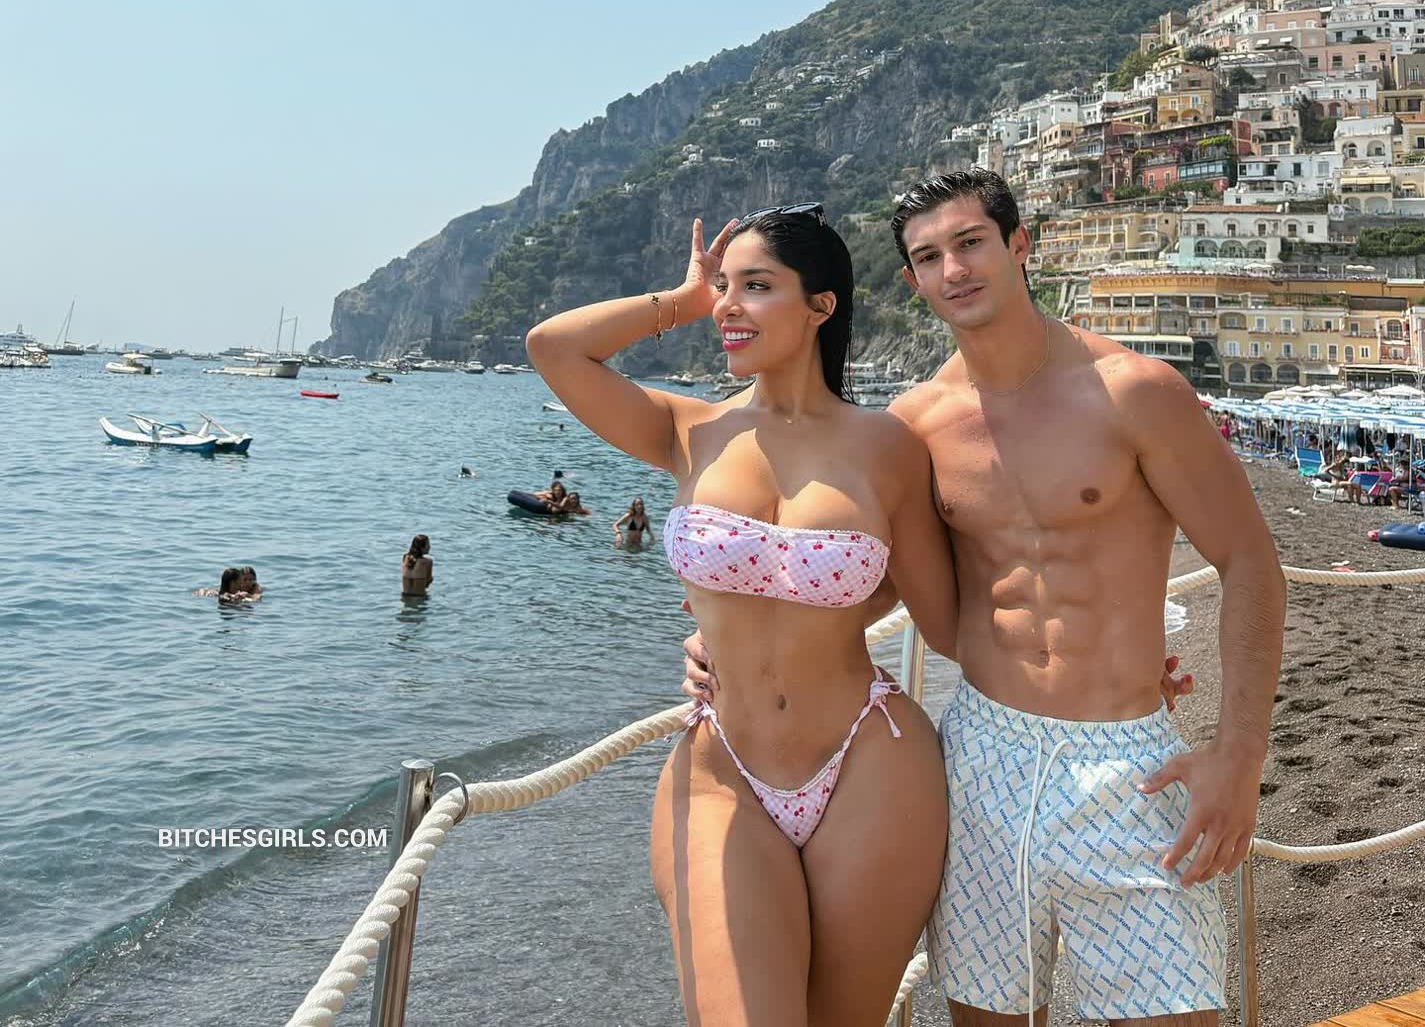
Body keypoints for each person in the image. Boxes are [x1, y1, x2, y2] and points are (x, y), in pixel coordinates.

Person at [685, 169, 1285, 1027]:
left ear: (1018, 245)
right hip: (979, 758)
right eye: (929, 257)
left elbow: (1247, 560)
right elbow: (871, 578)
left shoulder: (1134, 392)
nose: (953, 269)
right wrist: (733, 646)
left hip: (1129, 761)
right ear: (911, 280)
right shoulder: (916, 423)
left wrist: (1239, 752)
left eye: (969, 243)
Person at [528, 207, 960, 1026]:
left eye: (756, 286)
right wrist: (684, 299)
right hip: (722, 765)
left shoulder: (888, 448)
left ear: (821, 305)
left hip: (870, 761)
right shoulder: (688, 428)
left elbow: (943, 621)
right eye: (726, 286)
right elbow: (554, 347)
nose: (729, 304)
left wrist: (1113, 661)